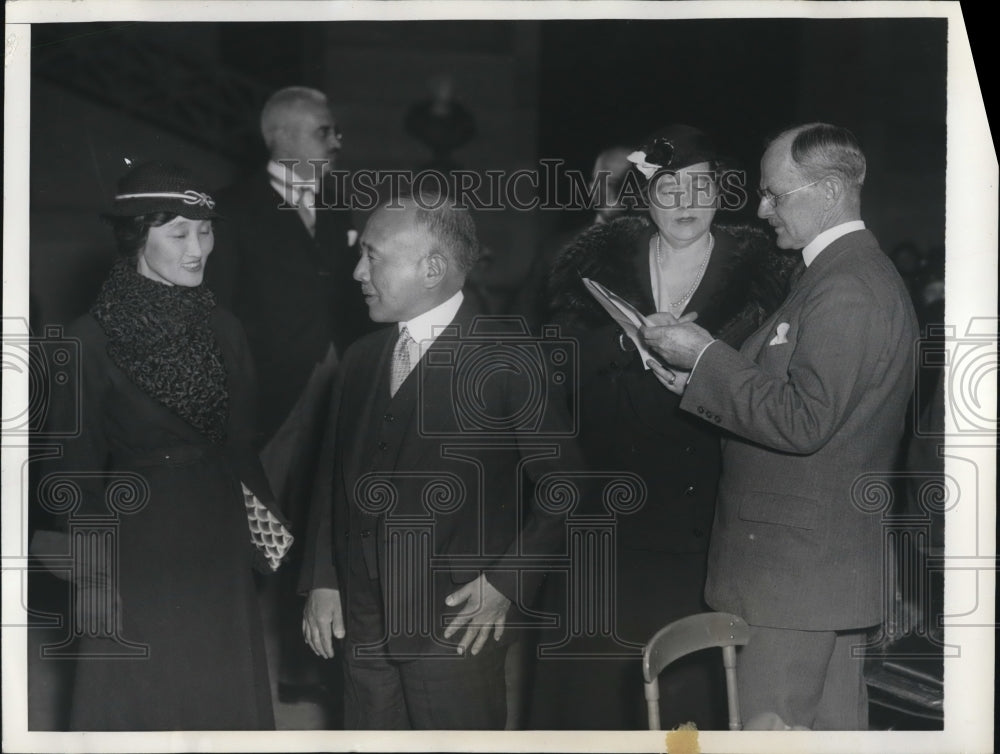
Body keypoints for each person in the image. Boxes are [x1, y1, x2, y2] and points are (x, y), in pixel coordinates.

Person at [638, 123, 919, 730]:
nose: (762, 209)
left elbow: (805, 420)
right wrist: (698, 381)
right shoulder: (837, 274)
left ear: (827, 191)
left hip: (794, 581)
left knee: (771, 733)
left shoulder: (848, 287)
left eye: (775, 194)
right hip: (814, 577)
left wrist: (706, 357)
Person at [528, 124, 795, 730]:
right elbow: (549, 372)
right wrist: (627, 346)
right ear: (643, 197)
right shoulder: (592, 263)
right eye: (667, 189)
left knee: (683, 704)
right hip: (603, 517)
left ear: (721, 192)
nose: (684, 204)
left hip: (701, 523)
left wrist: (706, 369)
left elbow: (779, 394)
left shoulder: (766, 271)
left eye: (698, 187)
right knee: (591, 692)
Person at [297, 192, 586, 729]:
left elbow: (565, 486)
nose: (358, 271)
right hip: (362, 617)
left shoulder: (508, 356)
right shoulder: (360, 359)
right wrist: (323, 579)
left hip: (453, 621)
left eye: (373, 256)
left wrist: (506, 582)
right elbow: (330, 481)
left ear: (431, 268)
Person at [43, 161, 291, 730]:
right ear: (136, 237)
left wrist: (266, 529)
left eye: (205, 230)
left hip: (219, 538)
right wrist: (93, 579)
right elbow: (73, 474)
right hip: (138, 544)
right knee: (142, 700)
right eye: (178, 233)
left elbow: (242, 444)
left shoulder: (225, 328)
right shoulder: (88, 340)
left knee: (221, 697)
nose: (198, 247)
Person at [204, 86, 373, 712]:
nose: (336, 143)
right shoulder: (231, 209)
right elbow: (216, 314)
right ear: (281, 136)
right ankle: (230, 670)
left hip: (336, 393)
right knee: (254, 533)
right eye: (325, 131)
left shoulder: (339, 207)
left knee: (323, 532)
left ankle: (309, 669)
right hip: (266, 402)